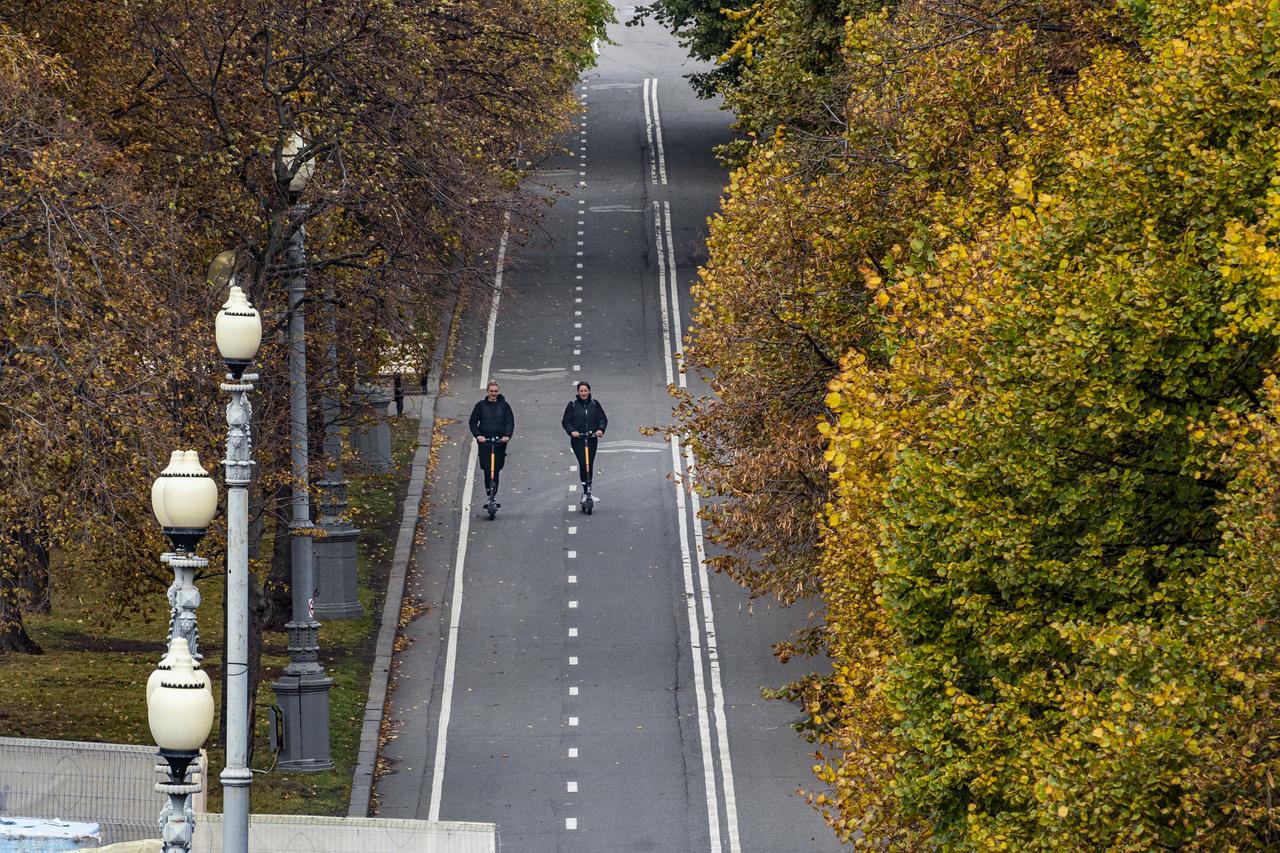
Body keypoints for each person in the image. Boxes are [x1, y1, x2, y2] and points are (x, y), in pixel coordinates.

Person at [469, 379, 515, 508]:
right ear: (487, 392)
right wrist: (478, 436)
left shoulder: (504, 406)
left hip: (499, 442)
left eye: (495, 391)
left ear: (498, 391)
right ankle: (489, 491)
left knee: (497, 469)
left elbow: (510, 422)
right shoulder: (480, 406)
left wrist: (507, 435)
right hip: (485, 442)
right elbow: (472, 423)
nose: (493, 393)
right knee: (487, 469)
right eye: (491, 391)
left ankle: (494, 493)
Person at [561, 380, 607, 502]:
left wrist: (600, 430)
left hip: (591, 439)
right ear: (578, 392)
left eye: (585, 390)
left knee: (589, 465)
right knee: (583, 464)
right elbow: (566, 421)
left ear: (589, 391)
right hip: (578, 440)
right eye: (581, 391)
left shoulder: (595, 404)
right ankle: (585, 490)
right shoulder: (573, 405)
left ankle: (589, 491)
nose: (583, 393)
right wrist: (572, 431)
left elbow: (602, 419)